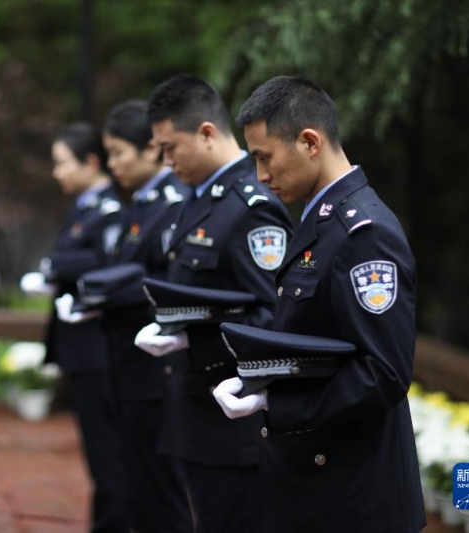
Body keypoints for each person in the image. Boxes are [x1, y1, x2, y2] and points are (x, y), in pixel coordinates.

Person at [213, 75, 426, 532]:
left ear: (310, 142)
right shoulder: (323, 220)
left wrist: (276, 401)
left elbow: (383, 372)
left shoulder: (363, 233)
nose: (261, 176)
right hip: (317, 480)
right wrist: (259, 377)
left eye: (265, 157)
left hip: (352, 497)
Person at [135, 74, 294, 532]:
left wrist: (192, 338)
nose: (166, 162)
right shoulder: (198, 198)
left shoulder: (251, 206)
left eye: (170, 148)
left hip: (232, 423)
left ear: (206, 133)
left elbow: (273, 317)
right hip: (197, 415)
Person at [75, 100, 194, 533]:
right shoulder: (144, 203)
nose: (112, 164)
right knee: (139, 486)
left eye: (118, 152)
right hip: (129, 364)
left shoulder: (173, 203)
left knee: (161, 492)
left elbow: (165, 281)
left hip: (154, 368)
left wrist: (110, 292)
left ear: (151, 149)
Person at [19, 121, 130, 532]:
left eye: (63, 162)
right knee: (99, 453)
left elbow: (107, 263)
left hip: (99, 348)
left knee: (109, 453)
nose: (57, 172)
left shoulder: (110, 210)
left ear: (91, 162)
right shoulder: (87, 207)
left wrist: (55, 267)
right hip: (85, 350)